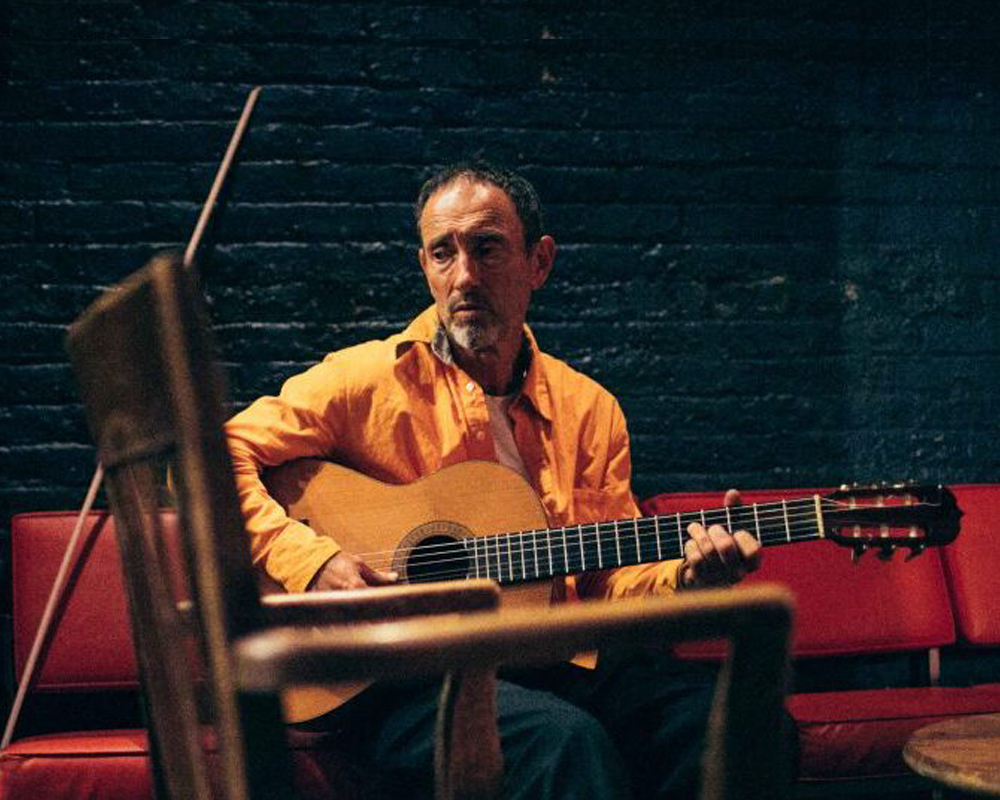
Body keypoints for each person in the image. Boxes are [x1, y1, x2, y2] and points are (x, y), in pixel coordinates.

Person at [224, 160, 762, 799]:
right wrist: (311, 561)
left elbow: (605, 579)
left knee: (738, 727)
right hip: (404, 676)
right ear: (424, 266)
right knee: (563, 741)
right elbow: (211, 459)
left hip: (555, 659)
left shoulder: (591, 409)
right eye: (443, 254)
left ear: (539, 262)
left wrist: (688, 579)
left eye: (487, 249)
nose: (465, 277)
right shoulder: (365, 381)